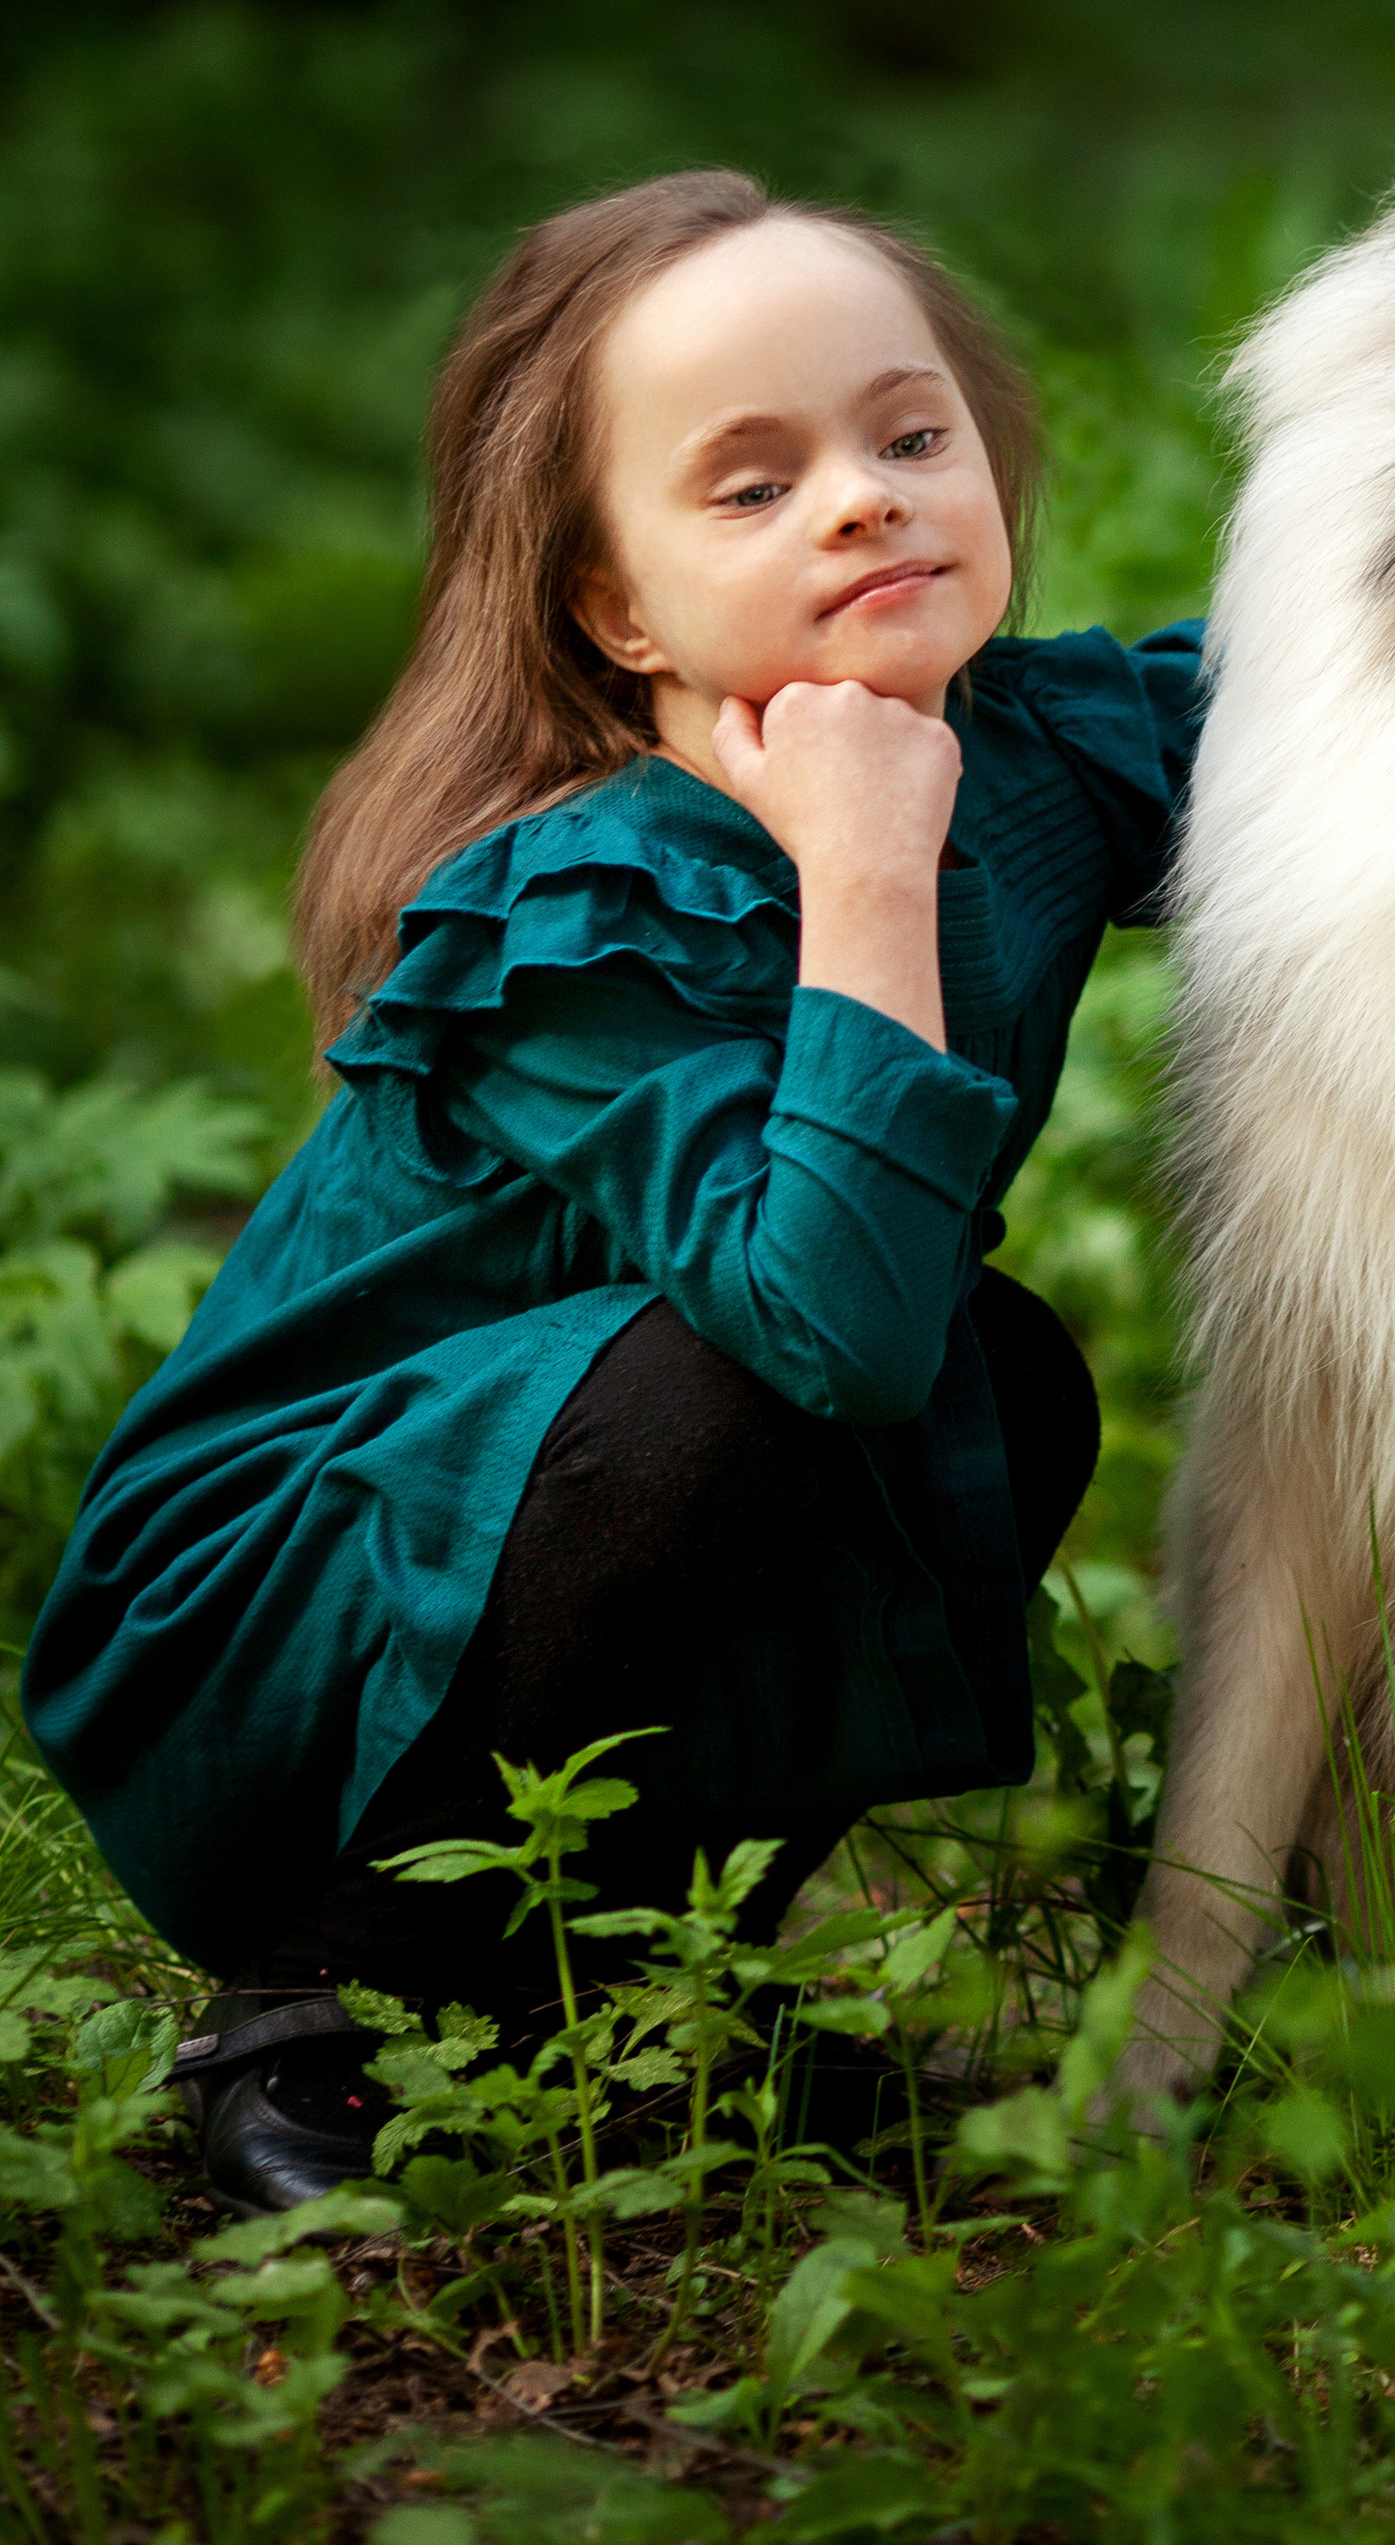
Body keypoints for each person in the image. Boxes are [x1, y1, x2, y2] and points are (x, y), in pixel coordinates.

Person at [21, 172, 1202, 2210]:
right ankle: (333, 2001)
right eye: (750, 485)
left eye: (909, 437)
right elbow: (819, 1319)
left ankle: (627, 1980)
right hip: (288, 1623)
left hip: (592, 1494)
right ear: (616, 610)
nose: (860, 498)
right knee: (776, 1375)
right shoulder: (582, 912)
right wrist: (859, 876)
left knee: (994, 1380)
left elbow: (1362, 695)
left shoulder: (1032, 752)